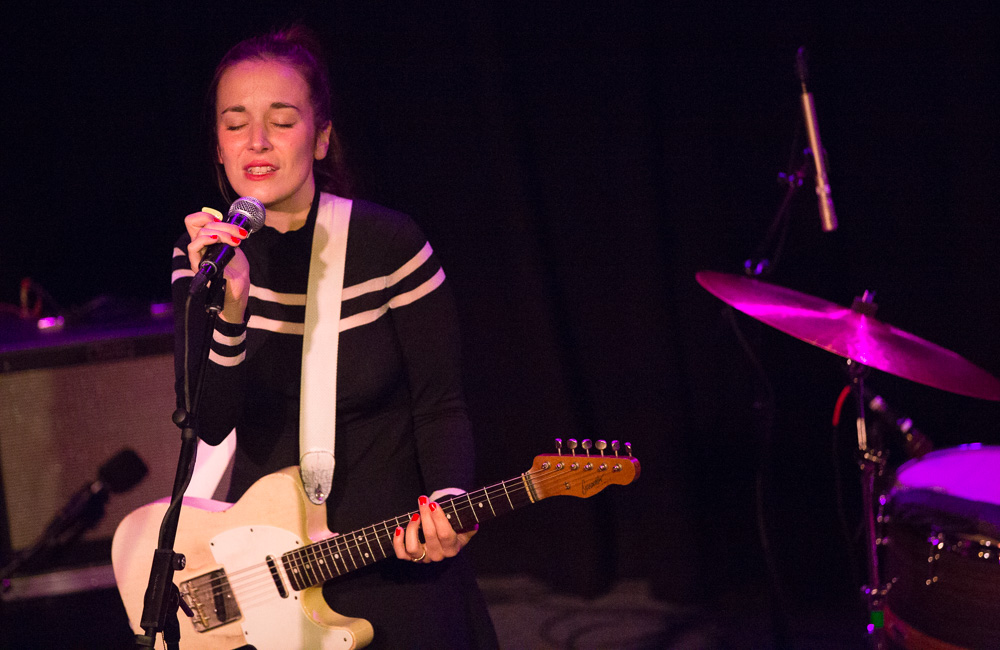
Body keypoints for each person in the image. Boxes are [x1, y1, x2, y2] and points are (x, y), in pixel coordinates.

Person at [170, 25, 498, 649]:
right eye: (235, 122)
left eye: (282, 120)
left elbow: (441, 404)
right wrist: (230, 308)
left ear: (321, 138)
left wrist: (450, 504)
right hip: (269, 573)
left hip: (391, 560)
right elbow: (207, 423)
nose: (257, 141)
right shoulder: (203, 261)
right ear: (217, 144)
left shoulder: (391, 246)